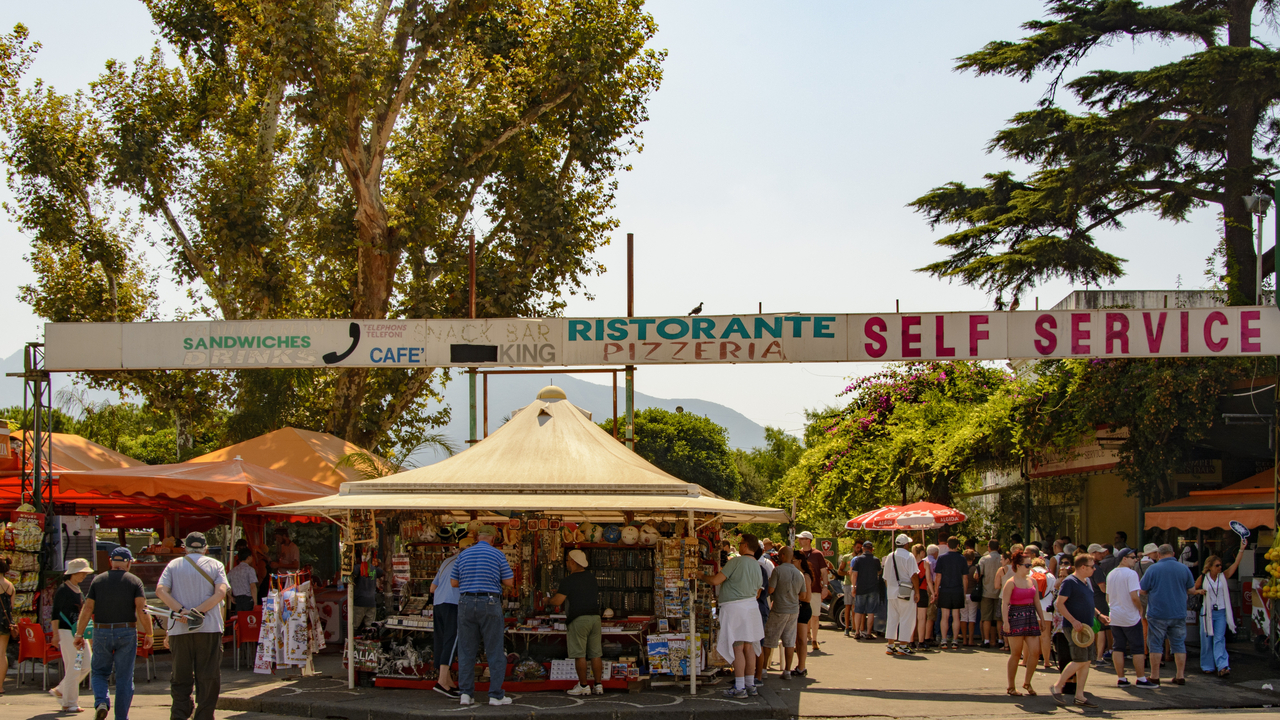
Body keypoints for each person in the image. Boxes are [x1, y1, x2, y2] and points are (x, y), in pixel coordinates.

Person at [156, 532, 229, 720]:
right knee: (208, 676)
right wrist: (198, 612)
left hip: (179, 628)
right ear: (205, 548)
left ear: (185, 548)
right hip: (209, 627)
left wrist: (182, 611)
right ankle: (204, 716)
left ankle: (179, 715)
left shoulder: (173, 565)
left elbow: (160, 591)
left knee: (180, 676)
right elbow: (221, 593)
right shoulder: (216, 565)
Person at [75, 547, 153, 720]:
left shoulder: (98, 580)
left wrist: (79, 634)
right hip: (127, 631)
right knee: (124, 678)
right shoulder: (134, 581)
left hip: (101, 630)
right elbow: (142, 609)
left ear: (111, 561)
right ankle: (121, 718)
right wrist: (149, 634)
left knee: (99, 672)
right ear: (128, 562)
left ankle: (102, 701)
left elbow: (87, 608)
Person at [450, 525, 515, 706]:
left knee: (466, 650)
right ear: (493, 539)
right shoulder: (497, 554)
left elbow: (454, 582)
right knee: (494, 650)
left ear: (477, 537)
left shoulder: (463, 555)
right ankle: (495, 695)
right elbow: (509, 581)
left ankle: (466, 694)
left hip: (465, 602)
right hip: (490, 602)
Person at [702, 534, 765, 698]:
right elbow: (758, 590)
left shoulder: (736, 562)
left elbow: (716, 580)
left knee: (737, 647)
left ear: (745, 545)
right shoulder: (757, 565)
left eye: (740, 543)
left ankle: (739, 687)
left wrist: (701, 575)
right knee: (749, 647)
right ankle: (750, 684)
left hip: (735, 608)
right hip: (751, 607)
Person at [1051, 554, 1103, 709]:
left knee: (1086, 661)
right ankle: (1057, 686)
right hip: (1074, 627)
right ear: (1082, 567)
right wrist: (1073, 621)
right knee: (1080, 659)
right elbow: (1059, 604)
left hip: (1086, 627)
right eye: (1092, 566)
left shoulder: (1086, 582)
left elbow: (1088, 603)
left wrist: (1099, 615)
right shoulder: (1070, 582)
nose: (1094, 569)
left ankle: (1079, 696)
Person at [1141, 543, 1196, 687]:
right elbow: (1192, 589)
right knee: (1178, 644)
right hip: (1178, 612)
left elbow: (1142, 589)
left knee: (1155, 644)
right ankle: (1180, 675)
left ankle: (1154, 676)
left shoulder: (1153, 569)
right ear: (1173, 554)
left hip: (1157, 613)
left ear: (1158, 555)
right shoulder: (1183, 568)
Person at [550, 549, 603, 696]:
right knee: (596, 653)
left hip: (579, 619)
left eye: (567, 560)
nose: (566, 563)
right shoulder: (591, 577)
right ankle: (598, 685)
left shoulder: (569, 580)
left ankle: (584, 685)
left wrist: (548, 600)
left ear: (573, 561)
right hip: (595, 617)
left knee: (580, 654)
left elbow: (558, 601)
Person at [1195, 540, 1246, 677]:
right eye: (1217, 566)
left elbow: (1236, 564)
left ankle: (1222, 665)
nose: (1220, 568)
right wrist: (1199, 592)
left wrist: (1241, 549)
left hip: (1221, 611)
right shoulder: (1204, 577)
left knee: (1219, 638)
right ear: (1210, 566)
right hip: (1207, 613)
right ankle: (1207, 665)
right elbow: (1192, 589)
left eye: (1220, 565)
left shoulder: (1223, 576)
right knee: (1206, 640)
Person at [50, 558, 94, 713]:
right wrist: (55, 634)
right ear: (73, 573)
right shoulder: (63, 589)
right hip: (66, 631)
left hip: (78, 633)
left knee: (85, 664)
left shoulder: (77, 589)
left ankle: (62, 691)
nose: (83, 576)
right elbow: (55, 613)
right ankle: (69, 702)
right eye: (81, 573)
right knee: (75, 666)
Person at [1001, 550, 1044, 696]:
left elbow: (1037, 601)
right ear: (1018, 565)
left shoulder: (1032, 581)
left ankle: (1027, 682)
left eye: (1030, 564)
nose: (1029, 567)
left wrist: (1042, 619)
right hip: (1015, 616)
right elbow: (1005, 603)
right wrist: (1005, 622)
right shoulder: (1011, 582)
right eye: (1027, 565)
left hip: (1030, 616)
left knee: (1035, 652)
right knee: (1016, 653)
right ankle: (1011, 686)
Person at [1105, 548, 1150, 687]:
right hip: (1129, 616)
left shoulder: (1111, 574)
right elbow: (1134, 596)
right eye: (1132, 557)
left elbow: (1107, 597)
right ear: (1124, 558)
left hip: (1115, 615)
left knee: (1118, 647)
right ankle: (1141, 678)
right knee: (1137, 648)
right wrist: (1140, 609)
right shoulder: (1131, 574)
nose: (1135, 559)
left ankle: (1121, 678)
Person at [761, 547, 804, 680]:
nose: (778, 557)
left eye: (779, 555)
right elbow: (802, 595)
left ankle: (763, 669)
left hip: (779, 608)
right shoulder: (799, 573)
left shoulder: (778, 570)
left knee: (769, 639)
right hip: (793, 609)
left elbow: (771, 590)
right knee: (789, 641)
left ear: (784, 556)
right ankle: (787, 671)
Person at [429, 547, 461, 698]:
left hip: (438, 603)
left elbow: (432, 588)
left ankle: (448, 681)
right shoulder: (466, 561)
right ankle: (442, 681)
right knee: (451, 640)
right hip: (453, 603)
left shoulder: (446, 561)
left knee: (441, 640)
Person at [884, 534, 918, 656]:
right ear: (906, 544)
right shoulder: (909, 556)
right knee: (906, 618)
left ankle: (890, 645)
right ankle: (903, 645)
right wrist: (917, 592)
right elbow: (914, 575)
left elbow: (885, 577)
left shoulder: (890, 556)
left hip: (891, 592)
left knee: (892, 618)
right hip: (905, 591)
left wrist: (890, 590)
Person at [795, 531, 827, 653]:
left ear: (808, 540)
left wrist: (825, 586)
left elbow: (824, 572)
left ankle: (814, 639)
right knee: (801, 615)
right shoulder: (798, 554)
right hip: (800, 589)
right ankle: (801, 639)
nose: (799, 541)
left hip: (815, 589)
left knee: (815, 615)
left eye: (802, 539)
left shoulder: (817, 554)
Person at [935, 537, 967, 650]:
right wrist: (964, 591)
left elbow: (938, 576)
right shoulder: (962, 559)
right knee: (956, 616)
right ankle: (954, 640)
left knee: (944, 616)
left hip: (945, 589)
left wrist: (936, 590)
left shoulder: (942, 558)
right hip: (958, 589)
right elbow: (965, 577)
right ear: (958, 545)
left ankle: (944, 640)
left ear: (947, 545)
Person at [1090, 543, 1116, 664]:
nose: (1102, 554)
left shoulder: (1090, 567)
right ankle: (1099, 656)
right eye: (1099, 552)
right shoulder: (1097, 569)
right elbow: (1103, 588)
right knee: (1101, 628)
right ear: (1092, 554)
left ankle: (1095, 655)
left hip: (1093, 599)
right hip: (1099, 600)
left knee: (1096, 627)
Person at [850, 541, 881, 640]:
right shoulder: (876, 560)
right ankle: (868, 633)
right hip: (873, 588)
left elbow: (854, 574)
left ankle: (857, 632)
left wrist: (854, 587)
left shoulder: (858, 560)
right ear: (872, 549)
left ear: (863, 549)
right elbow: (879, 572)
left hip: (861, 588)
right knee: (871, 611)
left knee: (858, 610)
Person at [1030, 556, 1055, 669]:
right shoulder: (1050, 575)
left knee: (1031, 635)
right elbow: (1054, 591)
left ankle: (1028, 660)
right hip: (1046, 607)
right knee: (1045, 635)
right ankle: (1046, 661)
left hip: (1032, 606)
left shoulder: (1030, 574)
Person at [753, 544, 773, 682]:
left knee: (757, 643)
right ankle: (749, 675)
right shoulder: (760, 569)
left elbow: (759, 594)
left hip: (758, 608)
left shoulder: (760, 570)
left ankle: (758, 675)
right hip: (758, 608)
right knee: (750, 644)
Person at [791, 554, 813, 677]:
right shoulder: (798, 574)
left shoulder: (805, 576)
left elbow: (807, 597)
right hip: (799, 607)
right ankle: (800, 665)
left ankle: (802, 666)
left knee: (801, 639)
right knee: (798, 640)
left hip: (803, 608)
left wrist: (791, 596)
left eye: (793, 560)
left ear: (799, 561)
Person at [978, 539, 1002, 648]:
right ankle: (1000, 639)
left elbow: (977, 574)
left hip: (986, 591)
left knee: (986, 617)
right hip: (1000, 592)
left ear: (989, 547)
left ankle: (986, 640)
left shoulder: (984, 559)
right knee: (998, 618)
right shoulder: (1002, 559)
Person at [911, 544, 933, 649]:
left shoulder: (910, 563)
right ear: (922, 553)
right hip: (922, 591)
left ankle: (910, 641)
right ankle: (921, 641)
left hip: (912, 592)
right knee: (922, 618)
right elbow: (928, 580)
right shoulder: (925, 564)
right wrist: (933, 592)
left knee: (912, 618)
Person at [351, 550, 379, 630]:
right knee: (369, 627)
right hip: (371, 601)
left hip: (360, 601)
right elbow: (381, 572)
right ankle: (368, 641)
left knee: (354, 626)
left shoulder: (357, 567)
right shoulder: (373, 568)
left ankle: (353, 641)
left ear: (358, 559)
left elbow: (351, 574)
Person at [0, 556, 13, 697]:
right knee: (2, 654)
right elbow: (11, 606)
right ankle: (0, 687)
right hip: (5, 622)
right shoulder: (10, 586)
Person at [961, 549, 979, 646]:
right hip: (972, 595)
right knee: (972, 617)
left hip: (963, 594)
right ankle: (971, 640)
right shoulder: (975, 569)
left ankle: (964, 639)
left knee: (963, 617)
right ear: (973, 558)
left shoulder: (961, 568)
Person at [837, 547, 856, 636]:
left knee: (855, 607)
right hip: (848, 584)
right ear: (854, 547)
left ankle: (855, 628)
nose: (858, 549)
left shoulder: (861, 557)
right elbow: (839, 571)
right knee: (848, 606)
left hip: (858, 585)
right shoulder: (846, 557)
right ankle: (847, 627)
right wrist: (847, 573)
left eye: (860, 547)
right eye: (857, 547)